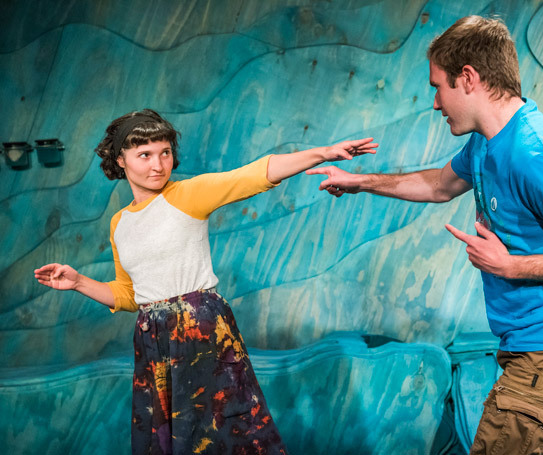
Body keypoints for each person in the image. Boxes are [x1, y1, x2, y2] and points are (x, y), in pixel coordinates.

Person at [306, 16, 543, 455]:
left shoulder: (532, 152)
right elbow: (439, 186)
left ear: (469, 78)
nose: (436, 104)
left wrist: (509, 266)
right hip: (531, 348)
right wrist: (359, 181)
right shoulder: (488, 141)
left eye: (438, 87)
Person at [34, 109, 377, 454]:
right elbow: (130, 295)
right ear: (121, 160)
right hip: (154, 341)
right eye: (145, 155)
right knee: (172, 441)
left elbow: (253, 174)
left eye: (165, 152)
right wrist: (79, 282)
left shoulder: (187, 194)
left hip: (201, 329)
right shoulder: (119, 223)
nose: (158, 165)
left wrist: (324, 152)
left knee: (225, 432)